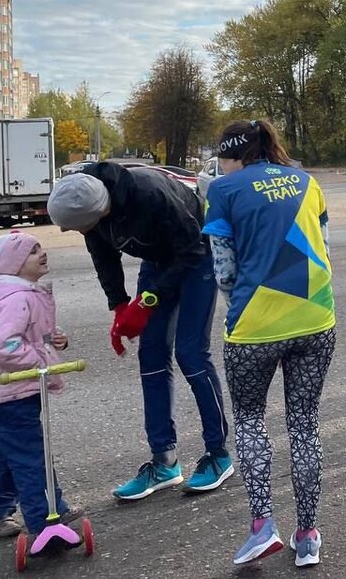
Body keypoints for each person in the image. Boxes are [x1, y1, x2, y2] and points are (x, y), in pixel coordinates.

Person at [46, 164, 231, 500]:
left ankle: (218, 455)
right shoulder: (88, 203)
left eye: (77, 227)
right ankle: (164, 461)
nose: (74, 232)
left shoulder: (149, 194)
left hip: (196, 257)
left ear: (100, 210)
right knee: (151, 357)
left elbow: (190, 250)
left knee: (191, 354)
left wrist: (147, 301)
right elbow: (104, 256)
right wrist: (119, 306)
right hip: (158, 261)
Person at [201, 120, 336, 568]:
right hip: (316, 318)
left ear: (231, 154)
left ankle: (263, 526)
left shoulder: (224, 190)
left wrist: (241, 305)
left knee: (250, 420)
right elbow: (325, 247)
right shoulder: (307, 181)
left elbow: (224, 270)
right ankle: (309, 534)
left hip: (255, 325)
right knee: (304, 423)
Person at [0, 231, 82, 539]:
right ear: (14, 265)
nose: (42, 253)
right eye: (32, 252)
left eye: (40, 247)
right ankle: (46, 521)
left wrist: (53, 339)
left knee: (13, 453)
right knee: (32, 456)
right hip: (7, 391)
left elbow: (31, 333)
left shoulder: (27, 293)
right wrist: (41, 359)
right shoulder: (16, 298)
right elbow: (5, 346)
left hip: (14, 390)